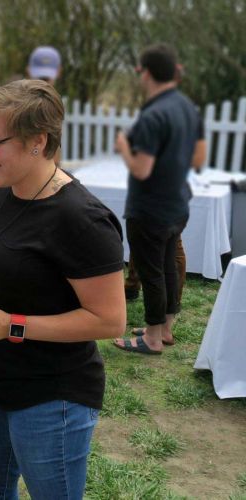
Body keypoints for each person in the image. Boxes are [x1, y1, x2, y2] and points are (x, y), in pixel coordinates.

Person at [0, 79, 126, 499]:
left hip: (52, 397)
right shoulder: (6, 190)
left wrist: (10, 325)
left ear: (38, 142)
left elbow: (109, 320)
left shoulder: (81, 219)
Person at [113, 44, 205, 355]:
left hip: (150, 209)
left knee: (151, 272)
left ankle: (151, 339)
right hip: (178, 205)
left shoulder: (153, 115)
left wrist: (124, 145)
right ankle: (165, 328)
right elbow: (199, 157)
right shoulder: (188, 108)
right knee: (166, 268)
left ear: (146, 72)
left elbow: (141, 169)